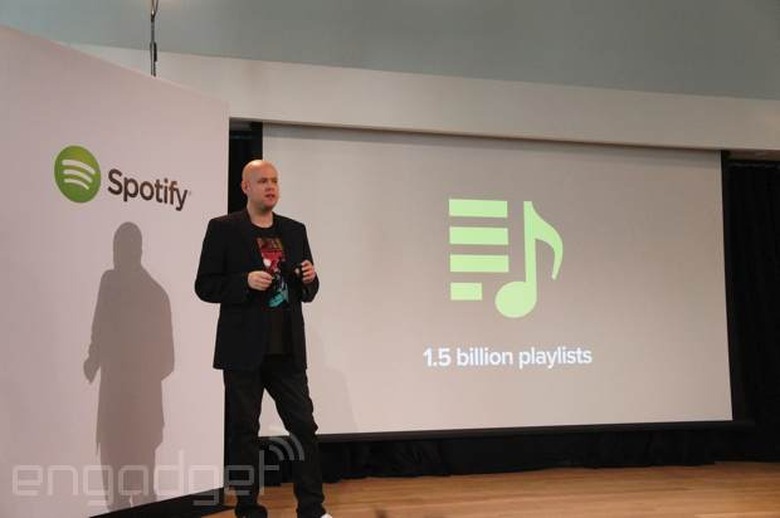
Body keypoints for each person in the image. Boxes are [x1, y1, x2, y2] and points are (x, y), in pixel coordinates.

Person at [195, 159, 332, 518]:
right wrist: (243, 281)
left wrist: (310, 278)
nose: (270, 187)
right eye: (262, 181)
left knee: (303, 426)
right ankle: (248, 509)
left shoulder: (295, 230)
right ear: (245, 187)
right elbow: (205, 285)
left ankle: (313, 509)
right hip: (243, 350)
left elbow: (309, 289)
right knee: (244, 431)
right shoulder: (224, 229)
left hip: (287, 349)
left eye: (274, 181)